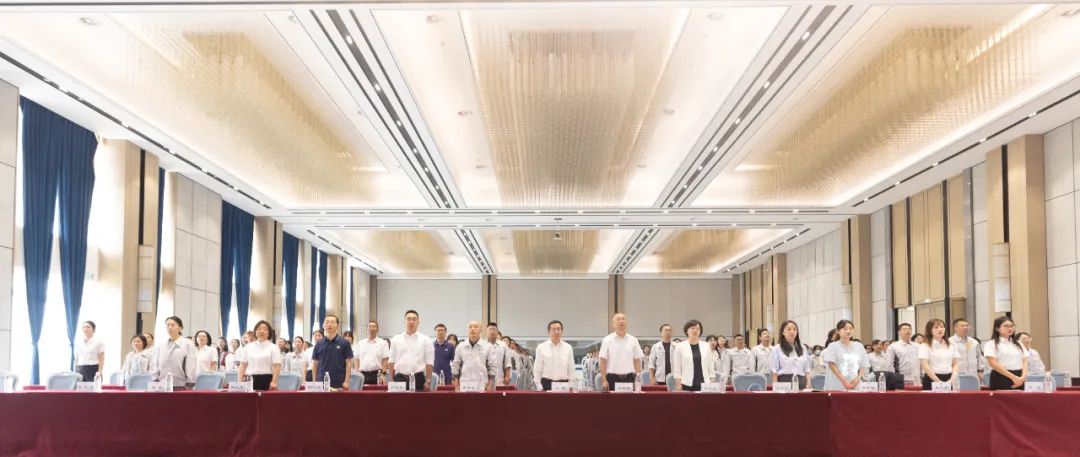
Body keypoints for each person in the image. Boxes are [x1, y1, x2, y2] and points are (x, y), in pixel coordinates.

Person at [388, 310, 434, 391]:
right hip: (399, 379)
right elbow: (391, 361)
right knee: (397, 400)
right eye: (408, 319)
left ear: (418, 322)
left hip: (418, 379)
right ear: (404, 322)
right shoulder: (396, 339)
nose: (411, 322)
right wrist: (391, 380)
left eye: (414, 319)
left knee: (418, 400)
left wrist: (428, 381)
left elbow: (429, 363)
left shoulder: (426, 340)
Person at [599, 313, 644, 391]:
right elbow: (602, 360)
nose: (621, 321)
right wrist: (604, 380)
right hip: (612, 379)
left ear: (626, 323)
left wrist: (638, 378)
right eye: (618, 319)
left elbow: (637, 360)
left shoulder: (633, 340)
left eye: (623, 319)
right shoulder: (607, 340)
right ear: (613, 324)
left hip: (630, 378)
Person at [822, 320, 870, 391]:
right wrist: (844, 381)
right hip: (837, 385)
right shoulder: (833, 346)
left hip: (854, 384)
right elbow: (831, 365)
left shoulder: (859, 346)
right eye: (845, 329)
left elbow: (863, 365)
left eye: (851, 329)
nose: (848, 331)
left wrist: (858, 378)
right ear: (838, 331)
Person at [150, 316, 197, 389]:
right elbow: (155, 363)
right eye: (167, 325)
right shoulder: (161, 345)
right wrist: (155, 379)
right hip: (162, 384)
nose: (170, 327)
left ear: (180, 328)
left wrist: (190, 382)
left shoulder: (188, 343)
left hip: (182, 384)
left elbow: (191, 364)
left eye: (173, 325)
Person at [984, 316, 1028, 390]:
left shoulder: (1018, 343)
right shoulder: (991, 344)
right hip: (1001, 377)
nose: (1010, 328)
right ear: (997, 328)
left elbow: (1025, 361)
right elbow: (993, 363)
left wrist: (1023, 377)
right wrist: (1013, 377)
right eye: (1006, 326)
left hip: (1019, 377)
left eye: (1012, 326)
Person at [451, 321, 498, 391]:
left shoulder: (488, 346)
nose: (472, 329)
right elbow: (456, 365)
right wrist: (456, 383)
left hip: (482, 385)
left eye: (476, 327)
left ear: (481, 330)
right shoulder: (461, 346)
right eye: (470, 327)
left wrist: (491, 383)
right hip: (464, 384)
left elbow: (493, 366)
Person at [311, 315, 354, 389]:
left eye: (332, 322)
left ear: (338, 326)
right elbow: (315, 364)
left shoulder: (345, 342)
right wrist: (314, 381)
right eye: (327, 322)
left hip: (339, 382)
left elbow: (348, 363)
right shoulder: (319, 344)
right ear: (323, 325)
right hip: (321, 381)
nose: (329, 324)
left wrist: (346, 381)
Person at [238, 321, 283, 391]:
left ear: (269, 332)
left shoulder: (274, 347)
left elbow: (277, 366)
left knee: (266, 398)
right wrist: (239, 381)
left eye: (265, 329)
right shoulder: (248, 347)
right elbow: (243, 365)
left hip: (266, 379)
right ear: (255, 332)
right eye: (259, 329)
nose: (262, 331)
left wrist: (274, 381)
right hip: (249, 379)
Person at [673, 320, 715, 392]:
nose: (695, 330)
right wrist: (678, 383)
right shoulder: (680, 346)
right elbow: (677, 368)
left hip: (705, 383)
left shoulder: (706, 346)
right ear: (687, 331)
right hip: (686, 383)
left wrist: (712, 380)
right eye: (692, 328)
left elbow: (710, 365)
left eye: (698, 328)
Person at [533, 320, 574, 391]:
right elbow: (537, 369)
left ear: (562, 331)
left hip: (563, 384)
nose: (556, 331)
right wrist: (539, 386)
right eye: (554, 329)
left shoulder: (568, 348)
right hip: (546, 384)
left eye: (558, 329)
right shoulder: (541, 347)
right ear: (549, 332)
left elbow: (571, 368)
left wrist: (571, 385)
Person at [918, 319, 959, 390]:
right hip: (931, 379)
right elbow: (925, 365)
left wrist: (952, 379)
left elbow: (955, 364)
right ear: (930, 330)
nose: (940, 329)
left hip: (949, 379)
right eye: (936, 327)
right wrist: (938, 381)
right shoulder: (925, 345)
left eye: (942, 327)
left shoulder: (952, 344)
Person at [770, 320, 812, 389]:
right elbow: (774, 370)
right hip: (784, 381)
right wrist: (775, 387)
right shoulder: (777, 348)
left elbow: (807, 369)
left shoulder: (803, 347)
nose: (792, 332)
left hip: (801, 381)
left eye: (794, 329)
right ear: (783, 332)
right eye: (789, 329)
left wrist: (808, 382)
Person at [353, 320, 389, 386]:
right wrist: (357, 373)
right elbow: (356, 359)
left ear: (377, 329)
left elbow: (385, 360)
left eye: (374, 326)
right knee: (362, 392)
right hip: (362, 374)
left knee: (378, 392)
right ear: (366, 329)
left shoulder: (383, 343)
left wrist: (383, 375)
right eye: (369, 326)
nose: (371, 328)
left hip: (377, 375)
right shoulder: (360, 343)